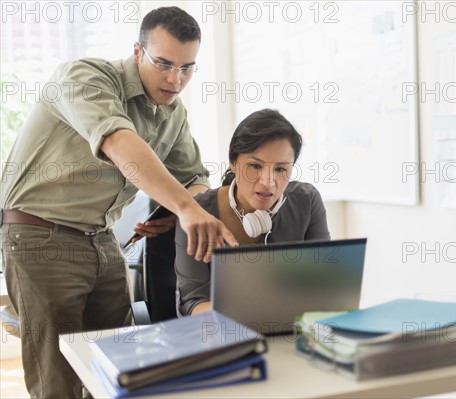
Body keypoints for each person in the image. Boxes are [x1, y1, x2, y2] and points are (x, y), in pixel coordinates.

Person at [0, 7, 236, 398]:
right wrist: (187, 209)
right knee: (58, 378)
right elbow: (119, 144)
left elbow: (195, 179)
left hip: (102, 238)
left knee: (119, 368)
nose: (175, 79)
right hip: (39, 234)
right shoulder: (84, 77)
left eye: (187, 68)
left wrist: (173, 210)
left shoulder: (172, 114)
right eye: (163, 63)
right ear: (138, 51)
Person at [174, 109, 331, 316]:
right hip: (220, 334)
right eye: (255, 166)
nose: (268, 182)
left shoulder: (307, 201)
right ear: (233, 162)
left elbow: (326, 285)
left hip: (290, 332)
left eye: (281, 169)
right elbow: (192, 303)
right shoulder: (198, 213)